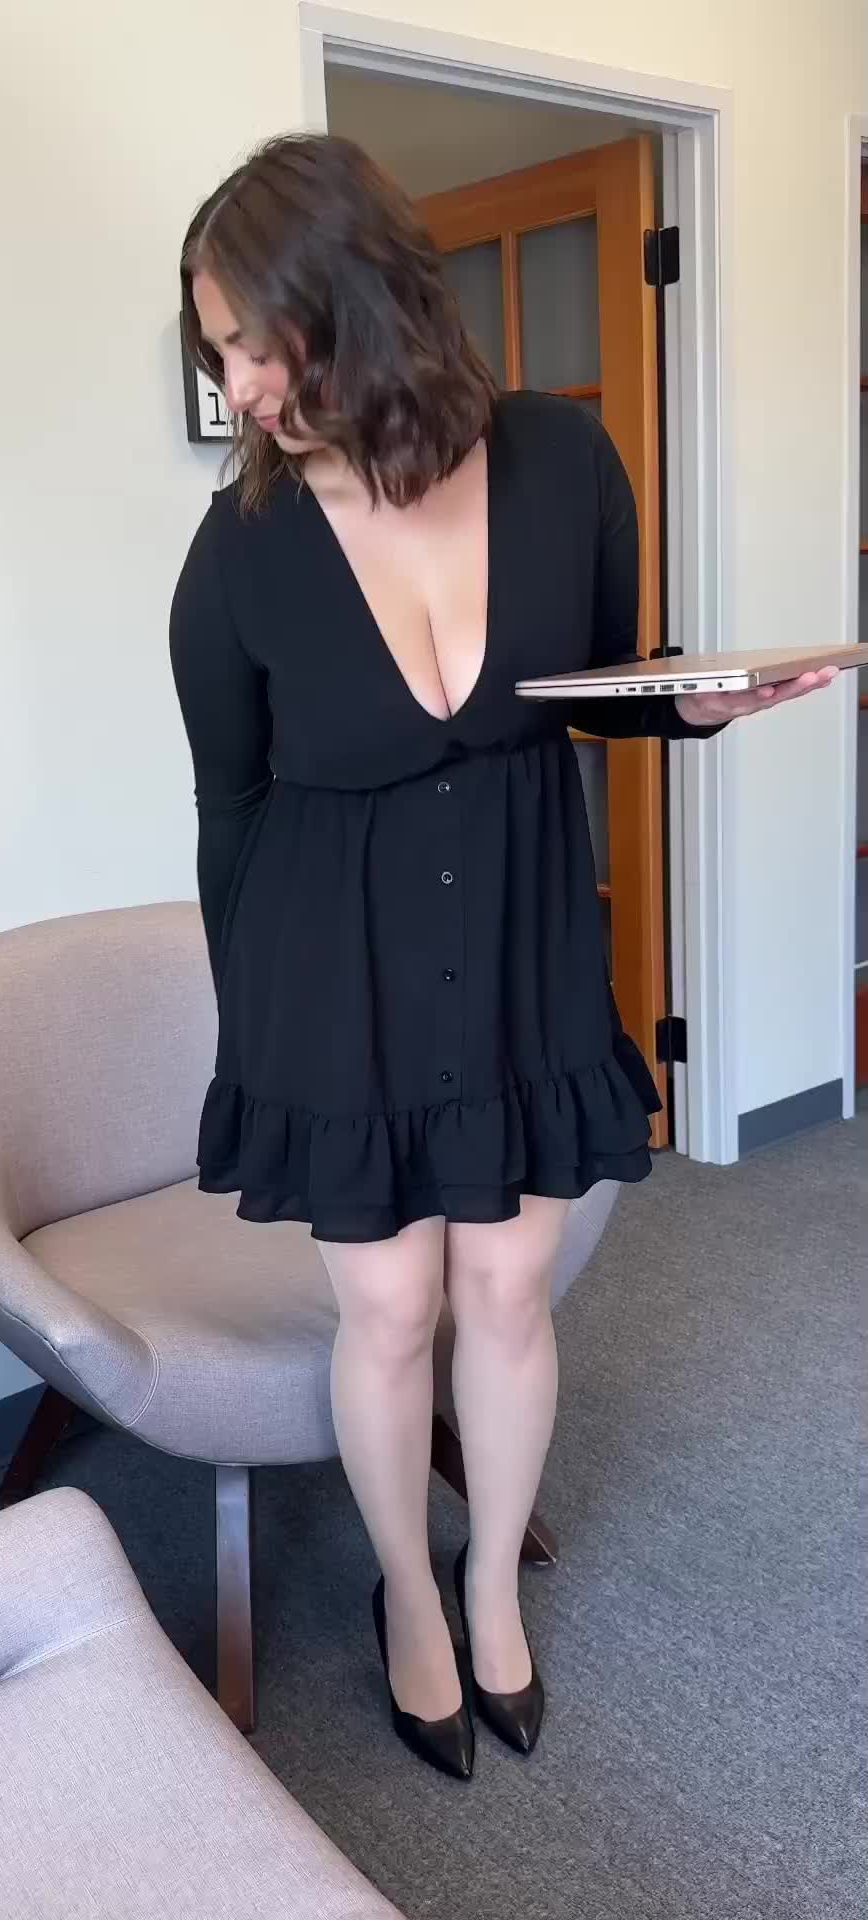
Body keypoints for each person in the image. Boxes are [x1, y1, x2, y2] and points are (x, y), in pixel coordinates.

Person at [169, 133, 834, 1780]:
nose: (242, 386)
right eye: (218, 351)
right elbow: (228, 811)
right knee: (393, 1312)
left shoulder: (563, 460)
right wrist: (262, 1037)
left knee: (511, 1288)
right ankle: (409, 1596)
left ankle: (490, 1586)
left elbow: (600, 682)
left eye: (260, 341)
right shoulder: (239, 548)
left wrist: (692, 704)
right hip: (338, 982)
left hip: (528, 947)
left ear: (362, 296)